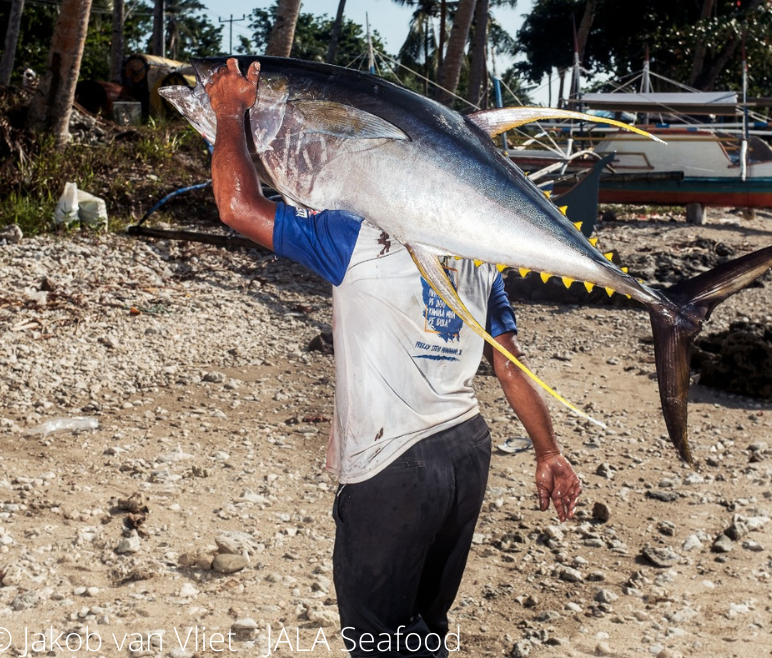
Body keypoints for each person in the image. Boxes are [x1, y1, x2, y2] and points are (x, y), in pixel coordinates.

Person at [204, 58, 582, 657]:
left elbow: (235, 206)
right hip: (466, 454)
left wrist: (228, 115)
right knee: (424, 628)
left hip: (393, 465)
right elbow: (509, 365)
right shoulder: (477, 258)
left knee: (378, 639)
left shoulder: (351, 236)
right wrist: (549, 452)